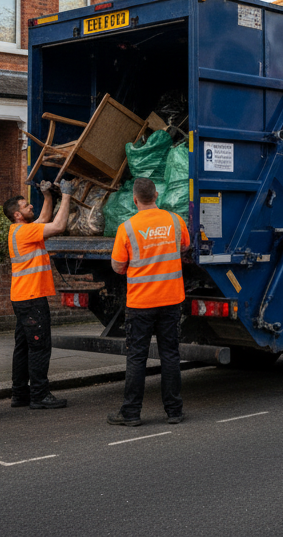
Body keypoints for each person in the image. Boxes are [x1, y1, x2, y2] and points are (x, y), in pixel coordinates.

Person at [107, 177, 190, 426]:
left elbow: (118, 266)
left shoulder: (127, 228)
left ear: (135, 200)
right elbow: (184, 246)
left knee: (136, 358)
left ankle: (131, 414)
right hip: (171, 300)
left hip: (141, 304)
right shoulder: (175, 221)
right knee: (170, 356)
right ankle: (174, 412)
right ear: (156, 196)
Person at [4, 182, 72, 410]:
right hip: (32, 299)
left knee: (23, 347)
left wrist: (47, 196)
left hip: (22, 297)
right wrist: (67, 196)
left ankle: (20, 394)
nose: (29, 205)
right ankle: (40, 395)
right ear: (17, 214)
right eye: (25, 205)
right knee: (39, 347)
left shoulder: (19, 230)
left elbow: (43, 219)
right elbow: (59, 225)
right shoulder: (24, 231)